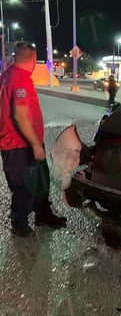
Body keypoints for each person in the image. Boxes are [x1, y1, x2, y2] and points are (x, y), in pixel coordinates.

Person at [0, 41, 67, 237]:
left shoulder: (6, 75)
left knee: (40, 181)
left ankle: (43, 214)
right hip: (20, 145)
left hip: (24, 143)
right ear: (31, 59)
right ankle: (19, 222)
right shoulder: (20, 79)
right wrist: (36, 145)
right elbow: (19, 116)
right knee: (24, 186)